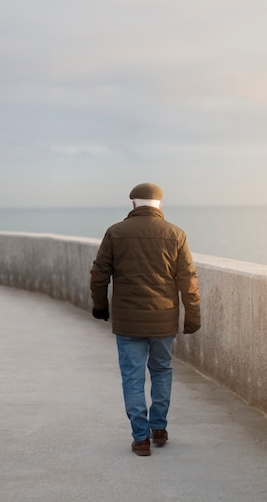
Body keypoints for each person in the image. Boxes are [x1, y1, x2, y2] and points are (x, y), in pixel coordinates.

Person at [90, 182, 201, 457]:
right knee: (162, 370)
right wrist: (192, 317)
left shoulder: (115, 233)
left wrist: (100, 306)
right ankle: (159, 428)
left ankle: (141, 439)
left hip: (128, 322)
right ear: (160, 205)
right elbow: (188, 281)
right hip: (163, 320)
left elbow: (99, 275)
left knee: (132, 377)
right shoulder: (176, 234)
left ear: (133, 205)